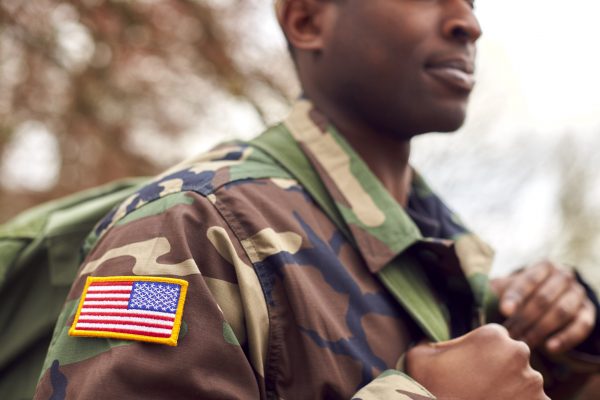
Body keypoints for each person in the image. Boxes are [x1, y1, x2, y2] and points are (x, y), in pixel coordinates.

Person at [34, 0, 600, 399]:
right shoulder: (191, 226)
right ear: (307, 20)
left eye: (471, 0)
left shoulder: (445, 254)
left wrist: (574, 336)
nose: (468, 22)